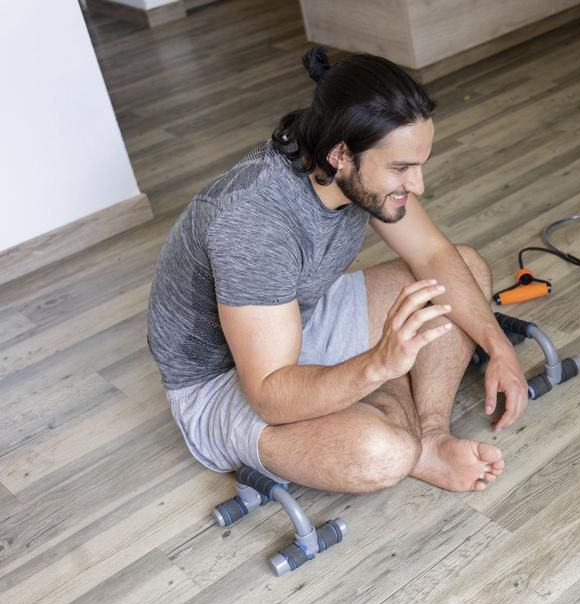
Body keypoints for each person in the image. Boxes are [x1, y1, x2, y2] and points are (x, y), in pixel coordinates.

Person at [147, 47, 529, 494]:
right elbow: (270, 395)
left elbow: (434, 255)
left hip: (298, 318)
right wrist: (379, 364)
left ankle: (429, 437)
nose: (417, 185)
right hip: (224, 383)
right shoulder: (253, 223)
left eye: (419, 165)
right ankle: (400, 431)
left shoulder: (354, 172)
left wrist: (498, 346)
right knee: (381, 454)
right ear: (340, 155)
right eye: (402, 168)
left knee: (464, 268)